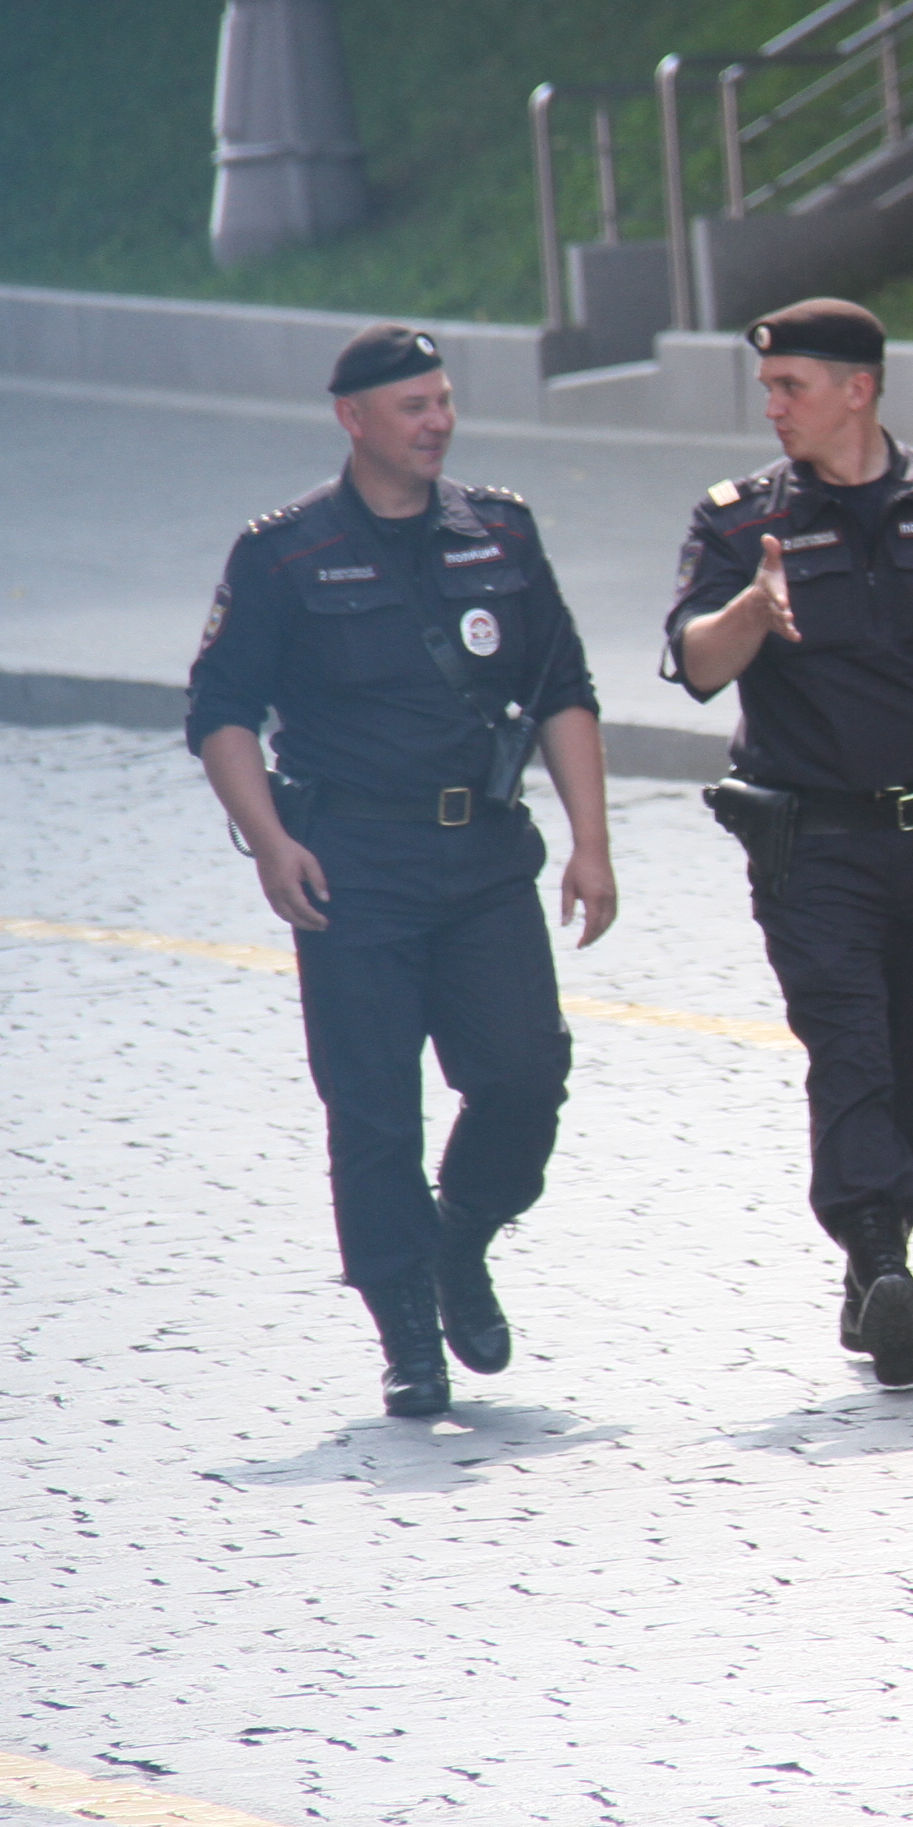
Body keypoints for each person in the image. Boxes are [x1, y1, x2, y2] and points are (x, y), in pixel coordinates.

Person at [187, 322, 617, 1418]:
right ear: (354, 420)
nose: (438, 423)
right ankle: (408, 1332)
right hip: (353, 863)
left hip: (481, 857)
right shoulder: (280, 555)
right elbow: (221, 712)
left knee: (524, 1077)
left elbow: (563, 685)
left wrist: (592, 843)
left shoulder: (500, 534)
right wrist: (271, 843)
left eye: (444, 401)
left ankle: (460, 1239)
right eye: (414, 407)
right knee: (374, 1111)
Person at [663, 299, 913, 1388]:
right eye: (768, 390)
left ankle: (884, 1248)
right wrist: (753, 610)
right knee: (852, 1053)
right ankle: (879, 1256)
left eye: (792, 387)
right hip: (813, 846)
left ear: (859, 390)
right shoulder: (742, 521)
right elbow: (694, 662)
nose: (773, 406)